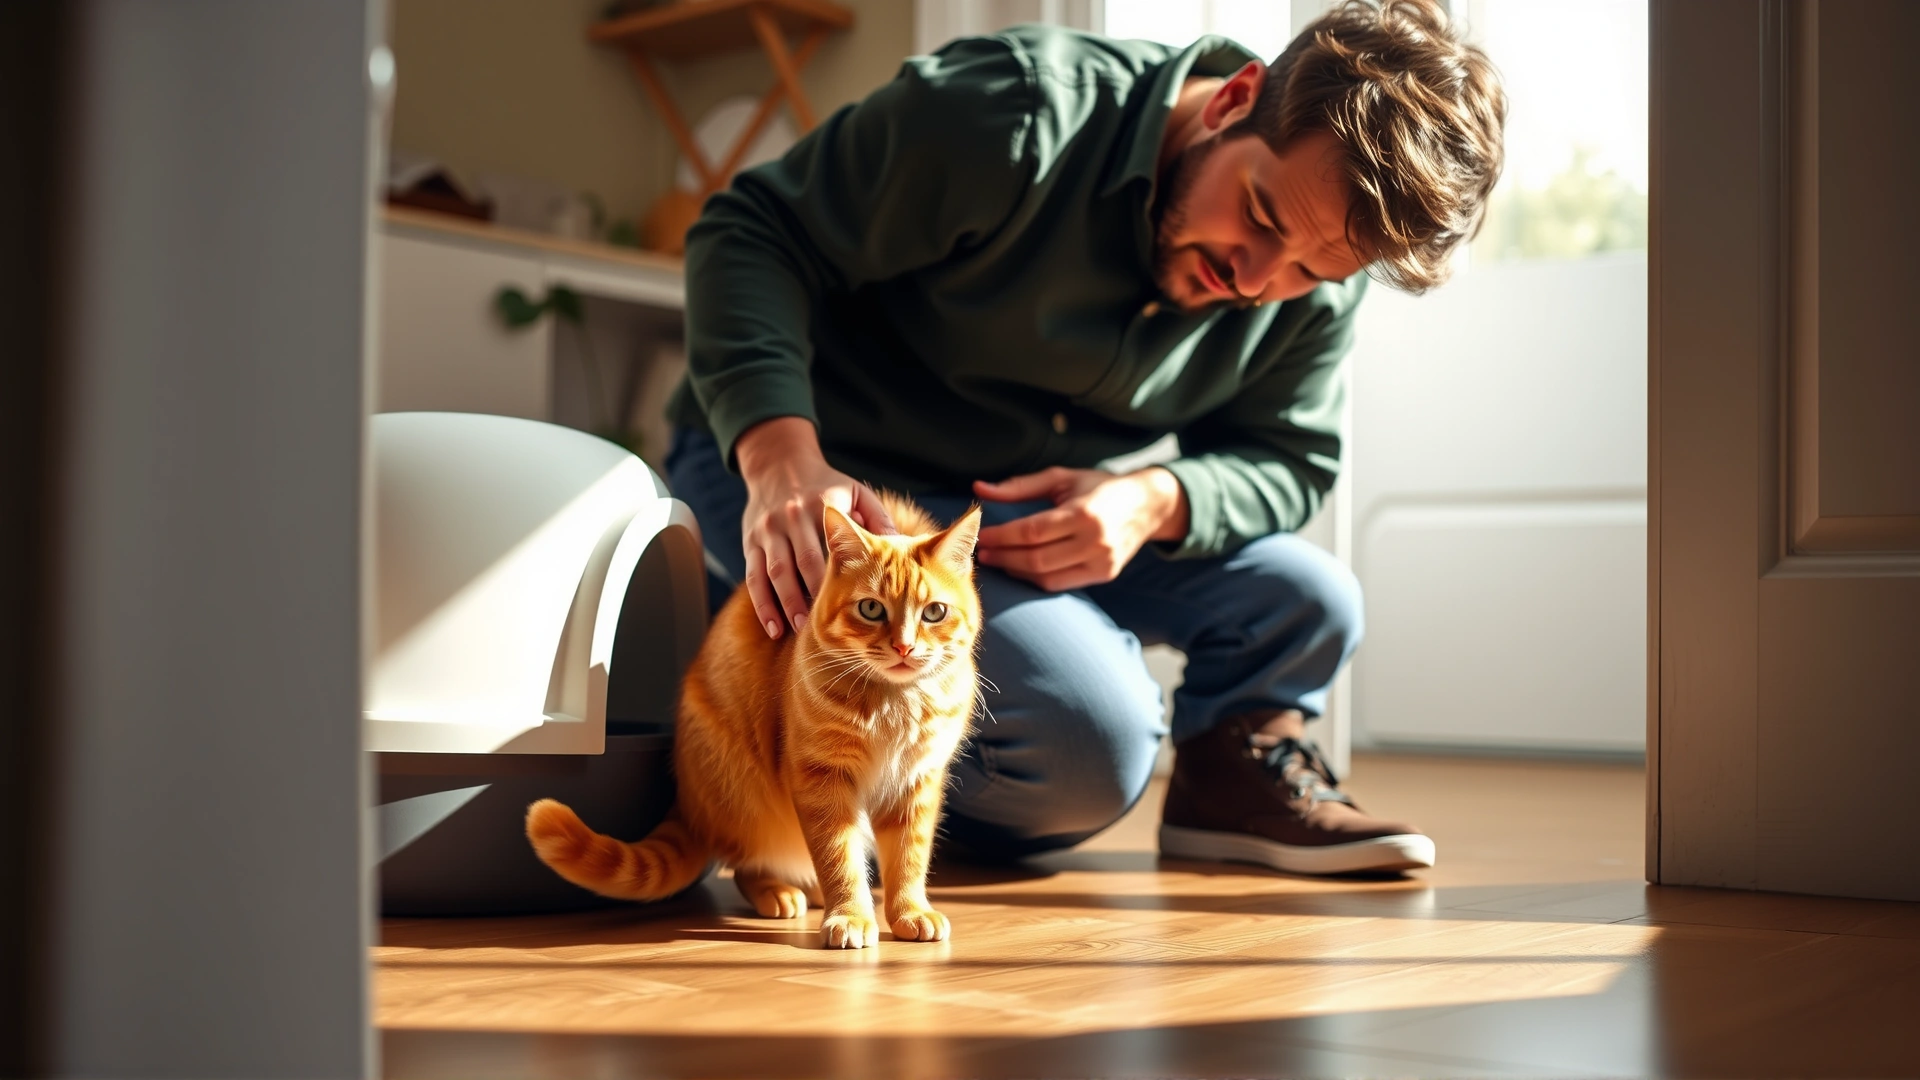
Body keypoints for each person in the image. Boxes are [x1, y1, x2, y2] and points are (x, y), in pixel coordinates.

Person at [663, 0, 1505, 873]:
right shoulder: (1013, 114)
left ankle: (1225, 792)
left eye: (1308, 270)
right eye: (1259, 215)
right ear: (1234, 99)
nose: (1256, 281)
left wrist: (1156, 498)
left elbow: (1289, 460)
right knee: (1086, 750)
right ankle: (772, 766)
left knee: (1310, 598)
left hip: (1004, 531)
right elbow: (753, 231)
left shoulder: (1317, 277)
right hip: (822, 489)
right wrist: (777, 454)